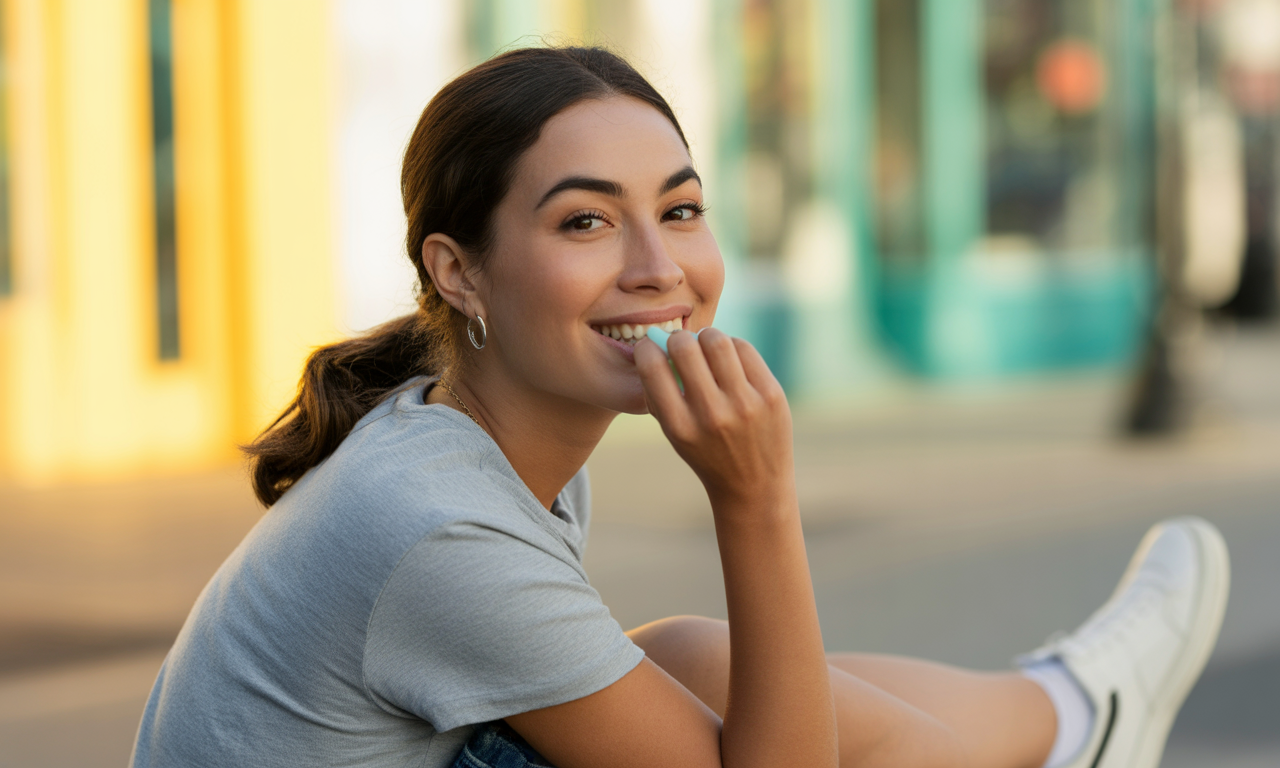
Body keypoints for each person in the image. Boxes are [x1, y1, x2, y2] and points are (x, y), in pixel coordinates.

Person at [129, 47, 1230, 768]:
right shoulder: (437, 523)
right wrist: (755, 502)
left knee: (685, 655)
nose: (659, 266)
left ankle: (1066, 711)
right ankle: (1072, 717)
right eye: (585, 223)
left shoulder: (470, 448)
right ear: (457, 272)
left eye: (682, 208)